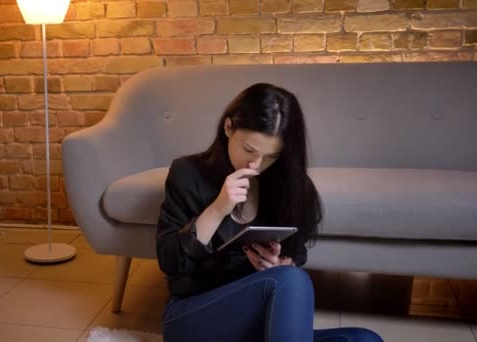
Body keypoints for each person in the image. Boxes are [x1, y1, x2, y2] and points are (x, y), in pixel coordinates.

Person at [156, 83, 383, 342]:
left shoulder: (287, 184)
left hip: (257, 321)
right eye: (249, 149)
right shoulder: (187, 172)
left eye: (270, 157)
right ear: (228, 127)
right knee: (291, 281)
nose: (255, 165)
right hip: (193, 317)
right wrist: (218, 208)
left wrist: (279, 265)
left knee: (366, 339)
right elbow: (169, 262)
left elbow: (296, 255)